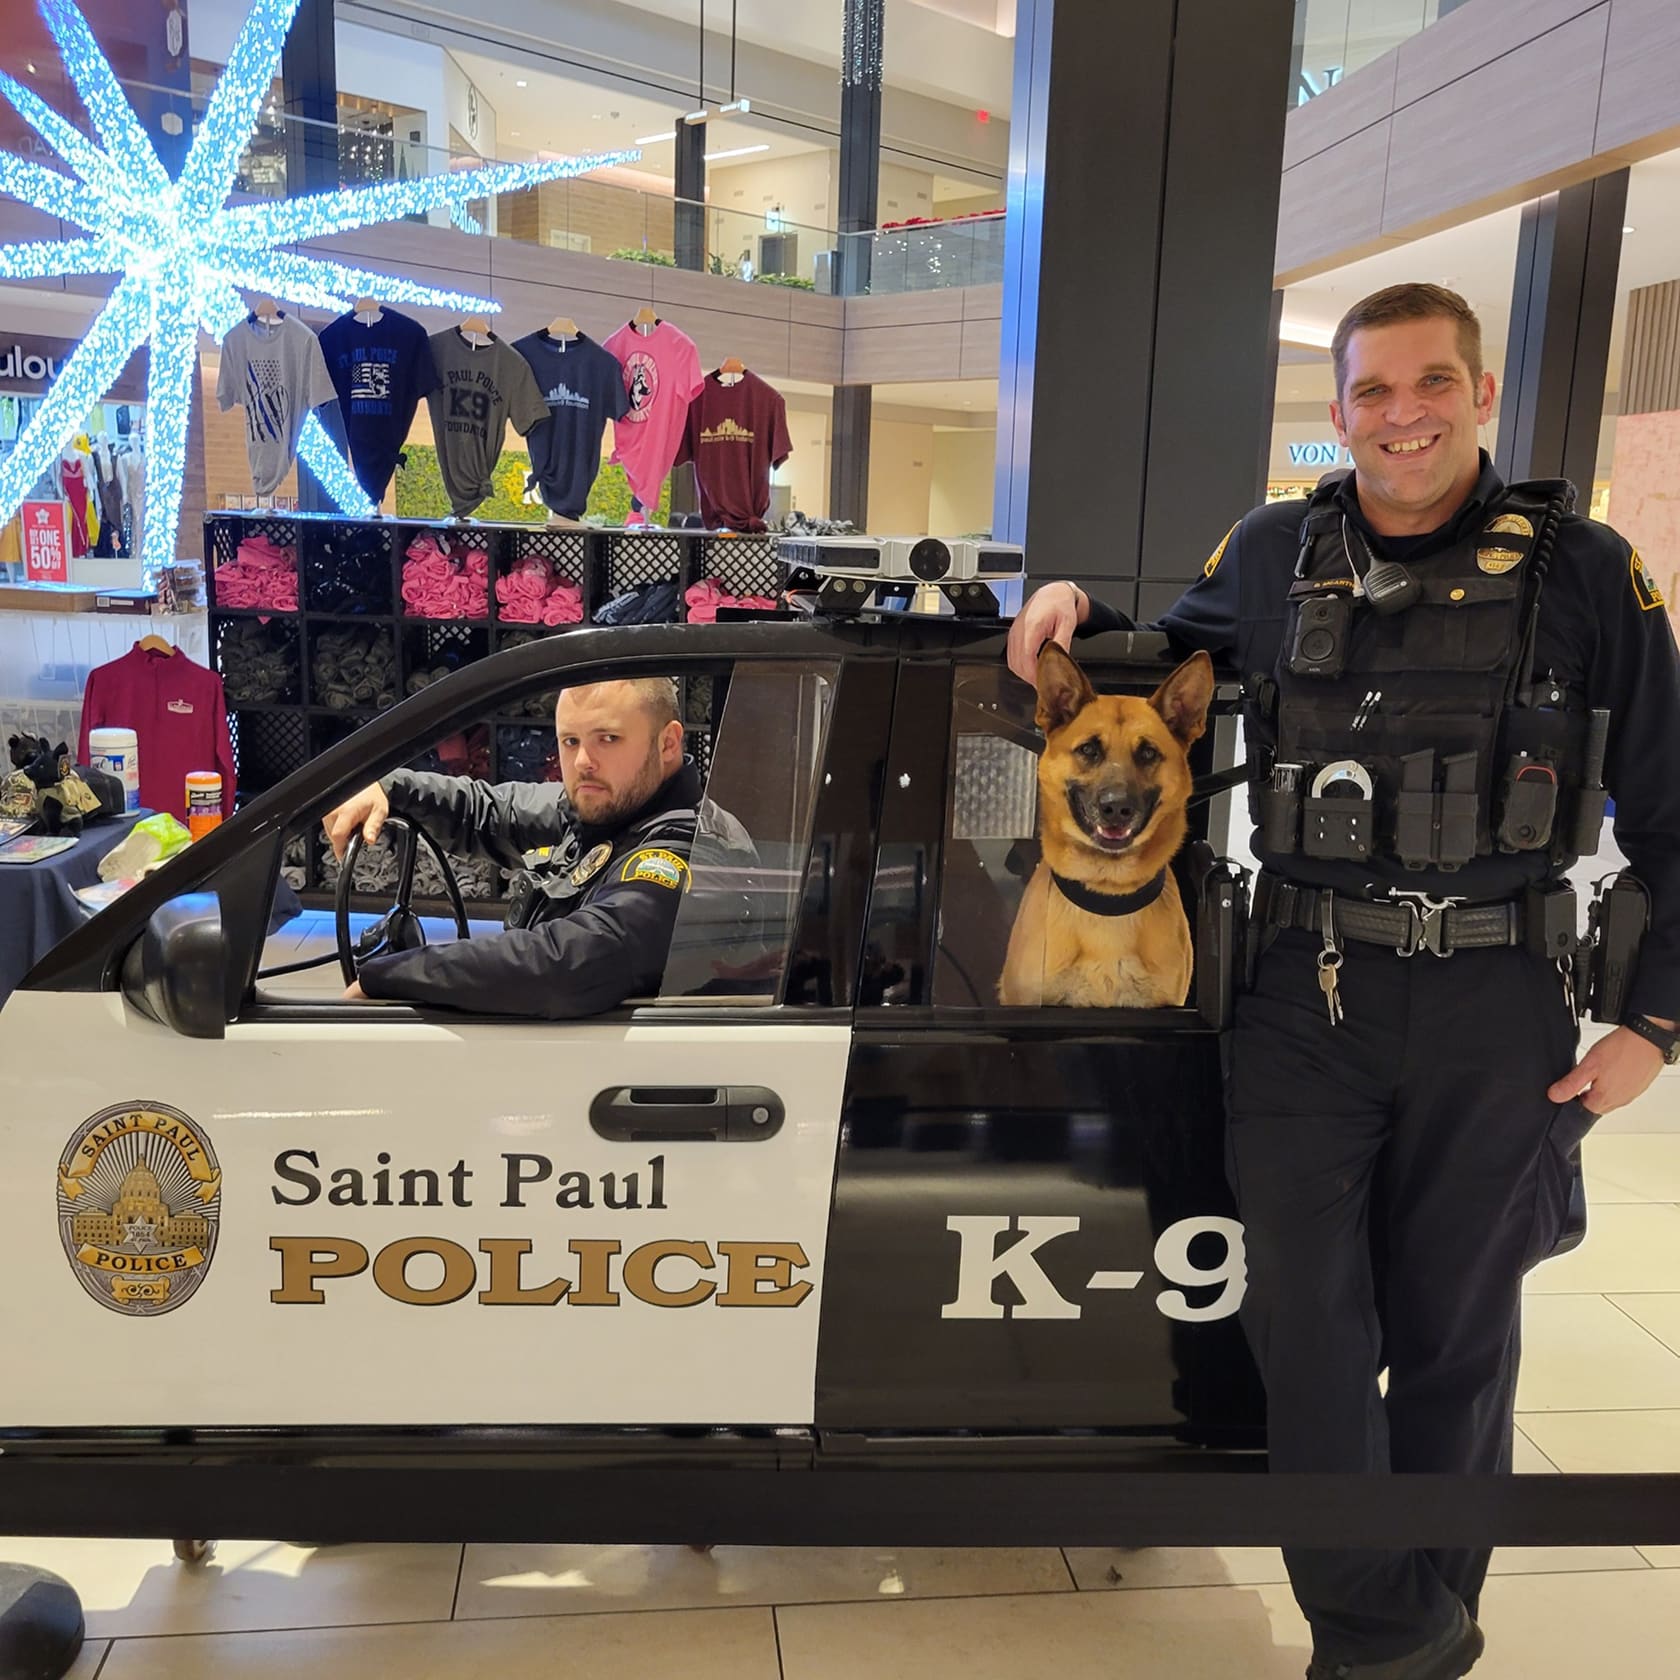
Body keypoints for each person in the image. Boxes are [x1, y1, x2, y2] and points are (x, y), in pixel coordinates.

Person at [1007, 283, 1680, 1680]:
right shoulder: (1273, 551)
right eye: (1372, 391)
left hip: (1501, 1009)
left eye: (1431, 384)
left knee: (1454, 1345)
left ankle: (1399, 1634)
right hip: (1306, 1002)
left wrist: (1658, 1027)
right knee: (1305, 1337)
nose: (1404, 415)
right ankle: (1399, 1633)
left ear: (1480, 394)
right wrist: (1069, 597)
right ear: (1339, 413)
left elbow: (1678, 814)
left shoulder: (1590, 573)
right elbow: (1148, 671)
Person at [322, 677, 740, 1017]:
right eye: (570, 741)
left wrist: (395, 975)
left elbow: (569, 964)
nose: (582, 763)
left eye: (608, 739)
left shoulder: (683, 848)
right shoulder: (602, 807)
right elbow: (482, 810)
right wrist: (385, 787)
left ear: (668, 744)